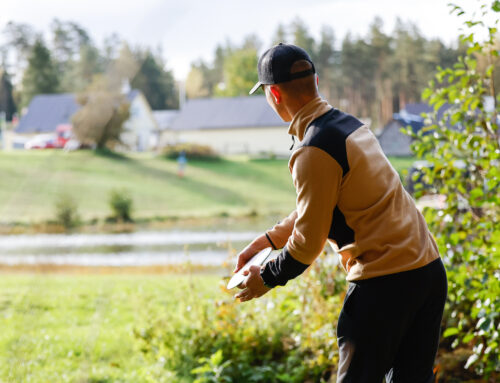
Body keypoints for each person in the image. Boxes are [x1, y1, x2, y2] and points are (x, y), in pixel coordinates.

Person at [233, 43, 448, 382]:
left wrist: (268, 276)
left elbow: (307, 245)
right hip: (427, 272)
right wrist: (271, 239)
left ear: (274, 94)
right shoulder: (349, 126)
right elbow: (328, 201)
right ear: (315, 81)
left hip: (384, 282)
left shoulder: (313, 149)